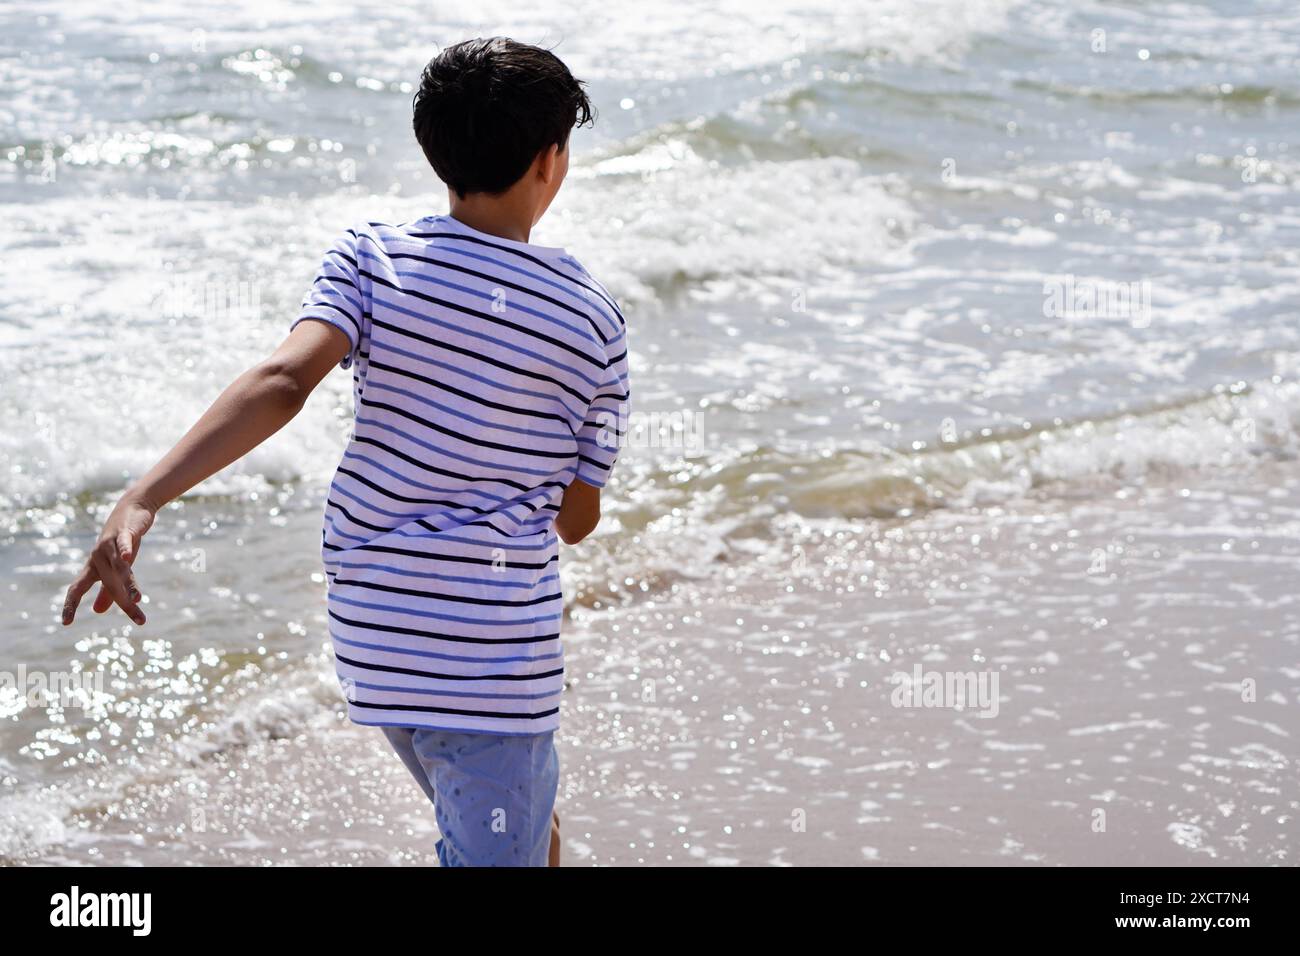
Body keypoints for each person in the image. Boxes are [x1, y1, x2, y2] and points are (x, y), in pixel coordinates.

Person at [61, 36, 630, 868]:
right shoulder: (593, 319)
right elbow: (577, 520)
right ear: (551, 161)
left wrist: (144, 496)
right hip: (491, 658)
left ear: (433, 145)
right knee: (497, 829)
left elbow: (284, 381)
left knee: (514, 820)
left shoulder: (371, 256)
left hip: (377, 634)